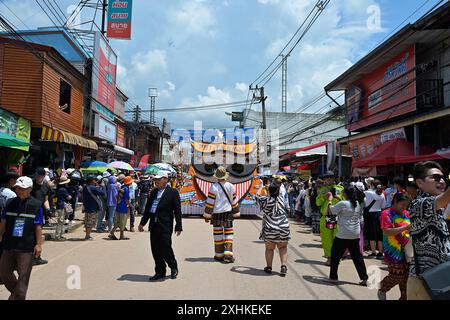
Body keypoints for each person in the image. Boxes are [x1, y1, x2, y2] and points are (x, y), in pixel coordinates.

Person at [407, 161, 450, 300]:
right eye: (436, 178)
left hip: (441, 278)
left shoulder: (441, 208)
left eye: (443, 177)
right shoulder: (418, 204)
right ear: (419, 183)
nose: (442, 181)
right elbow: (444, 198)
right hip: (425, 282)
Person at [0, 177, 44, 300]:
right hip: (9, 244)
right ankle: (16, 293)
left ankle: (18, 296)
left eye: (22, 189)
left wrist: (38, 245)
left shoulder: (36, 205)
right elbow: (3, 221)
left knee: (23, 276)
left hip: (26, 247)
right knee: (4, 272)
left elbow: (38, 227)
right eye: (18, 188)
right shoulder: (10, 203)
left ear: (30, 189)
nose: (19, 191)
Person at [139, 171, 182, 281]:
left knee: (165, 247)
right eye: (155, 179)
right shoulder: (154, 192)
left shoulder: (173, 192)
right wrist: (142, 223)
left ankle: (173, 266)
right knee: (155, 249)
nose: (156, 181)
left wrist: (178, 225)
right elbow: (148, 209)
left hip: (166, 225)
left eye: (158, 179)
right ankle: (160, 271)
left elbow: (177, 210)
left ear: (165, 179)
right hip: (154, 224)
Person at [327, 185, 368, 286]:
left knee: (335, 255)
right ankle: (364, 278)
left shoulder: (343, 203)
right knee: (357, 257)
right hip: (355, 233)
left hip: (343, 234)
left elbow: (331, 210)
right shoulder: (357, 203)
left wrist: (329, 200)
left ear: (345, 194)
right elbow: (346, 206)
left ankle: (333, 277)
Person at [378, 192, 412, 300]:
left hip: (407, 249)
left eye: (406, 205)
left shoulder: (406, 213)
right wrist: (405, 228)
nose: (404, 207)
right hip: (393, 251)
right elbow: (387, 231)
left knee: (407, 278)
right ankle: (382, 288)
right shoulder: (386, 213)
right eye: (402, 205)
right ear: (395, 202)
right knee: (397, 276)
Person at [203, 166, 240, 263]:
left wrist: (207, 215)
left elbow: (210, 203)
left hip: (216, 214)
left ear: (217, 177)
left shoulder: (214, 187)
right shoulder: (231, 186)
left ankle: (219, 255)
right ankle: (228, 255)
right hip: (228, 214)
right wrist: (236, 212)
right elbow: (234, 201)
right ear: (226, 176)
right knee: (229, 234)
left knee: (218, 235)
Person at [256, 183, 290, 277]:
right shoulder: (281, 198)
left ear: (269, 191)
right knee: (283, 247)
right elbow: (276, 193)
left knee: (269, 248)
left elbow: (257, 196)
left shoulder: (266, 201)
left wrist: (262, 187)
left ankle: (269, 267)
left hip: (270, 227)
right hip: (283, 226)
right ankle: (283, 266)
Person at [316, 171, 344, 265]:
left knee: (337, 238)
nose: (328, 179)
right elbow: (318, 203)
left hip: (338, 217)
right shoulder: (322, 190)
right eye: (326, 178)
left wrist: (337, 198)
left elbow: (346, 202)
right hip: (327, 217)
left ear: (334, 179)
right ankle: (329, 257)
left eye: (331, 177)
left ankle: (337, 257)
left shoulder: (340, 189)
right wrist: (324, 197)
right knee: (326, 239)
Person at [30, 168, 51, 266]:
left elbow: (45, 199)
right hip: (29, 211)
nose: (36, 177)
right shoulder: (30, 184)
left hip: (39, 212)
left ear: (43, 176)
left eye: (39, 175)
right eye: (36, 175)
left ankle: (37, 257)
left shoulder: (46, 185)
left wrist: (48, 209)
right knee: (29, 235)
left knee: (37, 235)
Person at [364, 177, 387, 258]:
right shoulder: (382, 194)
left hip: (370, 215)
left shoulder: (367, 193)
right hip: (379, 214)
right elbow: (384, 206)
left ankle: (373, 252)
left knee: (371, 234)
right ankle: (380, 252)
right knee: (379, 234)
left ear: (372, 185)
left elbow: (365, 204)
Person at [109, 176, 134, 241]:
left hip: (118, 207)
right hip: (123, 208)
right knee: (123, 222)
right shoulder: (126, 189)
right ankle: (121, 236)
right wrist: (131, 206)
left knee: (117, 222)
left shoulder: (122, 187)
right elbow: (126, 200)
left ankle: (111, 233)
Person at [83, 175, 106, 241]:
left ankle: (87, 235)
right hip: (92, 208)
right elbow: (103, 193)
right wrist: (102, 186)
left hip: (87, 207)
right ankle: (87, 236)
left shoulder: (85, 187)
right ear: (92, 180)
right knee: (90, 222)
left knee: (87, 222)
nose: (96, 181)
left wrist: (96, 187)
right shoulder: (93, 188)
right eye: (95, 180)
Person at [54, 176, 72, 241]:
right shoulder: (63, 189)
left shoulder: (59, 188)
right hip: (61, 206)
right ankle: (57, 236)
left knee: (61, 221)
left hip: (60, 205)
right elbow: (68, 197)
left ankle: (60, 235)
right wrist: (70, 196)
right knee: (60, 221)